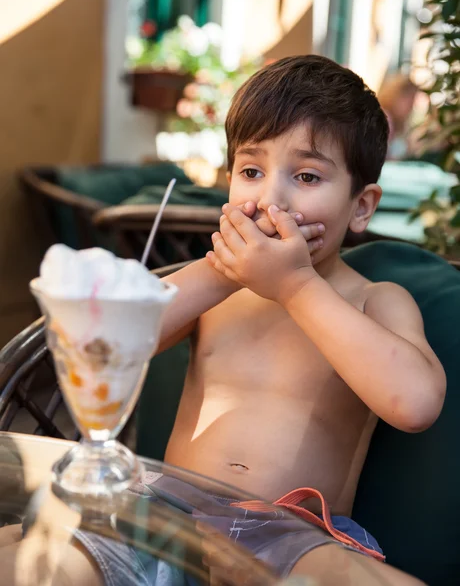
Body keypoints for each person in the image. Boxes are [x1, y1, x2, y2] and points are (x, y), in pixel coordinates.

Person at [0, 55, 445, 585]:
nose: (269, 198)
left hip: (288, 534)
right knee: (36, 565)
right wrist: (221, 273)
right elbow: (109, 340)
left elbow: (414, 403)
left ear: (361, 206)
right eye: (251, 171)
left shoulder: (375, 300)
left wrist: (296, 286)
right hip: (158, 509)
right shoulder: (214, 287)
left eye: (306, 176)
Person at [377, 73, 419, 160]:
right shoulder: (384, 119)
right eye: (409, 99)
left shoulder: (397, 122)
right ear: (395, 96)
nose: (411, 106)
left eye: (413, 100)